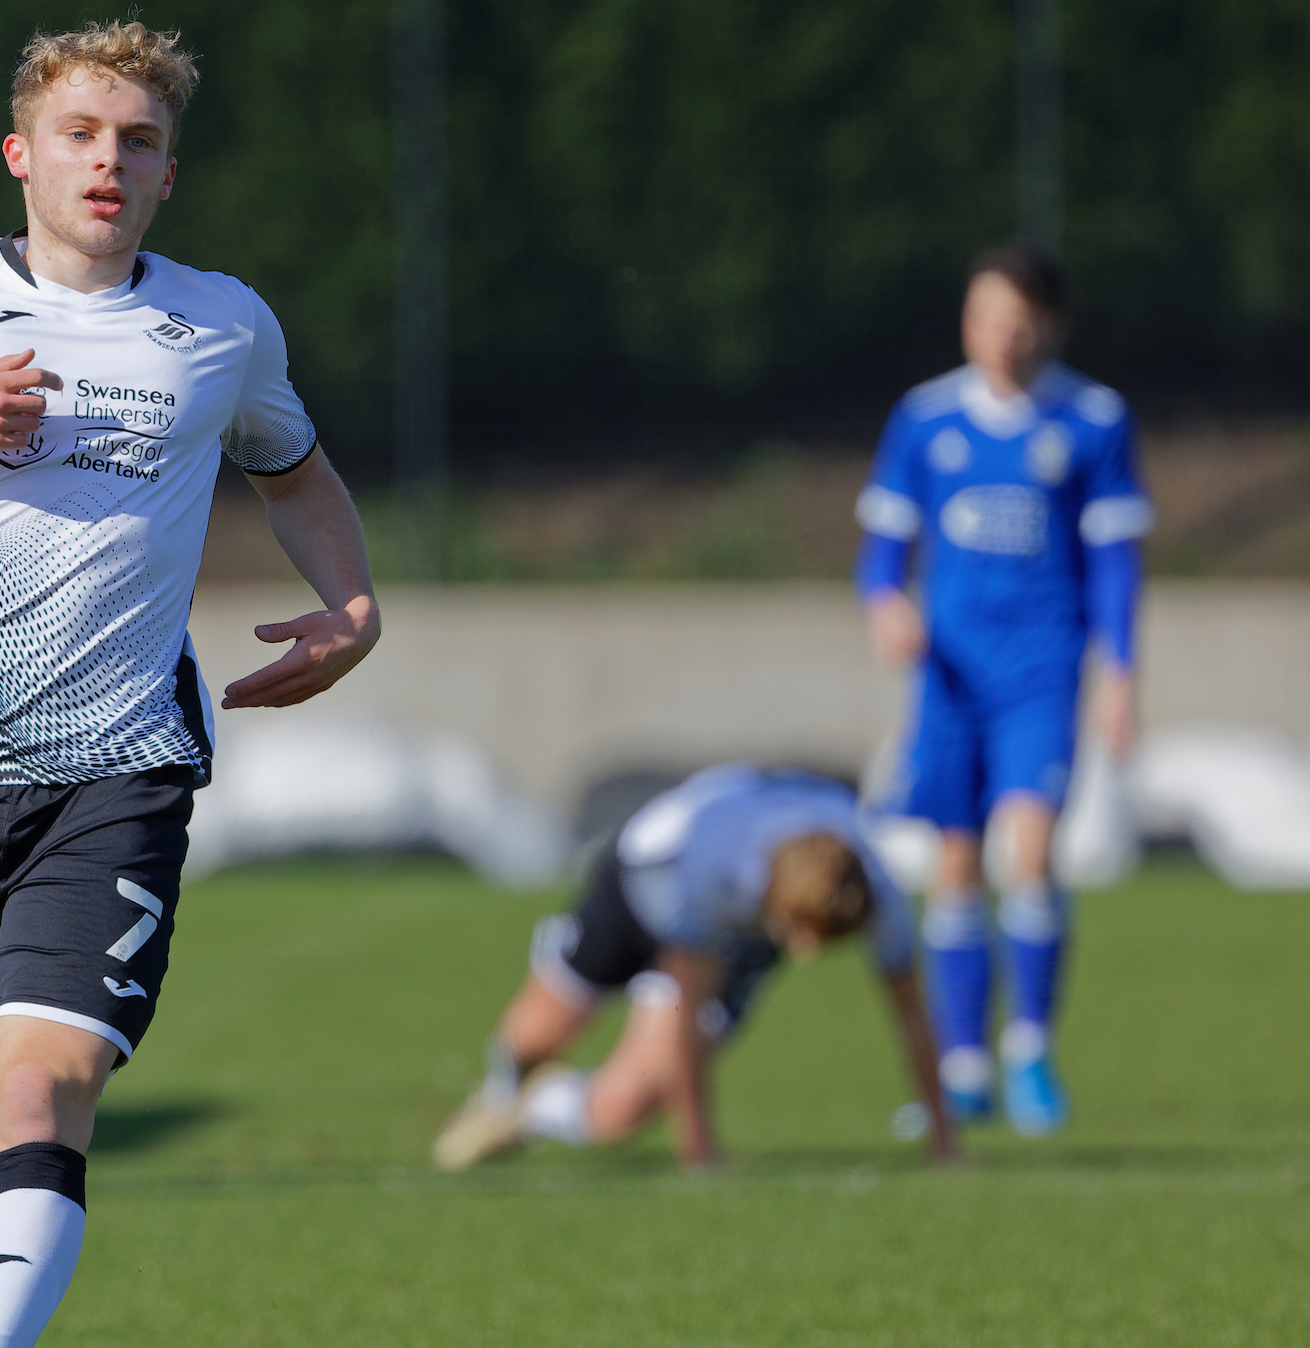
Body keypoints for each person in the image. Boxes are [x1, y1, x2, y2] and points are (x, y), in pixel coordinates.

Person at [0, 22, 380, 1348]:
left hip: (119, 770)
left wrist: (355, 605)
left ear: (169, 175)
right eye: (82, 136)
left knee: (44, 1089)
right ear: (21, 158)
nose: (109, 161)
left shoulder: (222, 323)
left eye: (138, 142)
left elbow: (298, 471)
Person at [854, 244, 1150, 1136]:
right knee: (952, 864)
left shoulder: (1093, 422)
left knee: (1027, 854)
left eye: (1019, 326)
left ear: (1050, 328)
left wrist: (1121, 674)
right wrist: (884, 606)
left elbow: (1115, 566)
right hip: (949, 676)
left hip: (1041, 672)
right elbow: (882, 548)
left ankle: (1027, 1048)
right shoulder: (927, 418)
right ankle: (962, 1066)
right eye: (985, 321)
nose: (1001, 341)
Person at [432, 764, 958, 1171]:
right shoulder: (710, 876)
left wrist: (943, 1138)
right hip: (642, 879)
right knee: (529, 1038)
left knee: (623, 1111)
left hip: (738, 933)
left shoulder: (876, 892)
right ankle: (504, 1090)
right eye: (799, 934)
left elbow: (912, 1013)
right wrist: (698, 1149)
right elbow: (685, 1008)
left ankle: (535, 1107)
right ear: (772, 899)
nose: (807, 954)